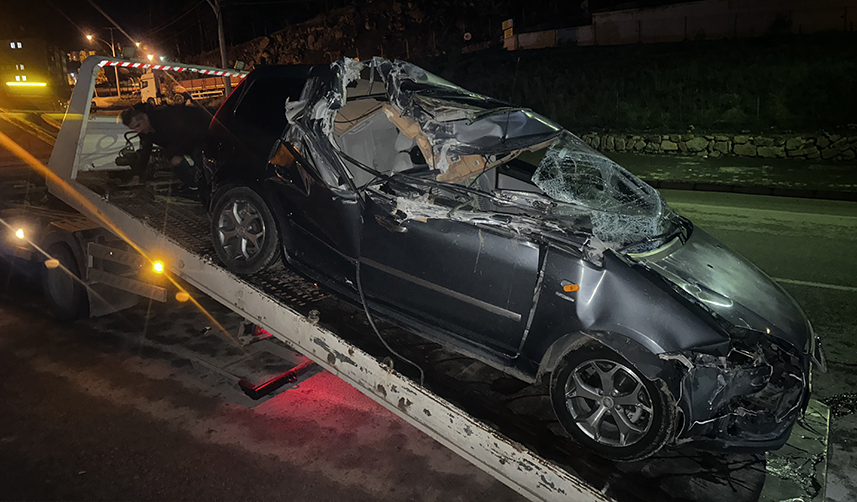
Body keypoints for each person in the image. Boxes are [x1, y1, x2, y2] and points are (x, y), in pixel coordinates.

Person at [119, 102, 211, 198]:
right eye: (134, 129)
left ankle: (209, 188)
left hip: (201, 134)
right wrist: (137, 175)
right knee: (172, 158)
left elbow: (185, 133)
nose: (138, 131)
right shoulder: (145, 131)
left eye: (138, 125)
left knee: (200, 159)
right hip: (185, 141)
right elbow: (145, 152)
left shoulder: (166, 117)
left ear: (145, 117)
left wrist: (177, 153)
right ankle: (193, 186)